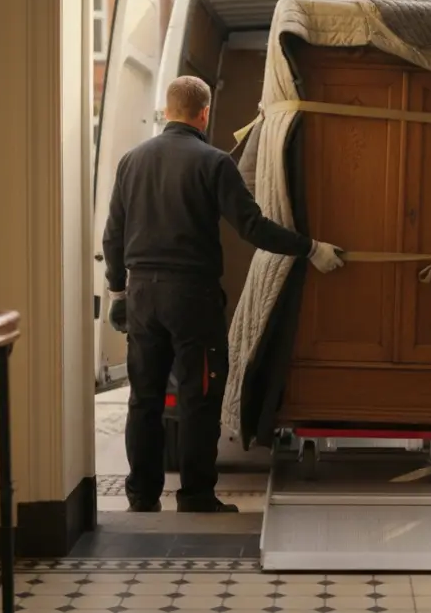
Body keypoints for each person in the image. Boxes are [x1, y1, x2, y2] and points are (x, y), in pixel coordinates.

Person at [102, 75, 346, 513]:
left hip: (141, 295)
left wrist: (118, 291)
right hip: (190, 298)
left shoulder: (131, 161)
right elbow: (253, 227)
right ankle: (195, 495)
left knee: (144, 398)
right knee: (199, 395)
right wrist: (309, 247)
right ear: (204, 113)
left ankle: (142, 495)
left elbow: (113, 234)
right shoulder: (213, 163)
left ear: (167, 109)